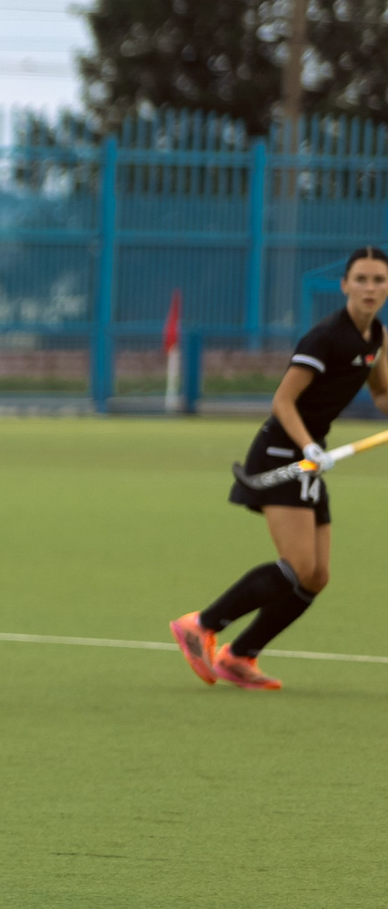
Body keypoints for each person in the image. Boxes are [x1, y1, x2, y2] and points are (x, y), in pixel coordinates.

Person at [171, 246, 388, 690]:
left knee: (316, 576)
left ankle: (239, 657)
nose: (370, 288)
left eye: (379, 280)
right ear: (344, 284)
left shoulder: (376, 338)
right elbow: (282, 401)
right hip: (282, 453)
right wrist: (308, 443)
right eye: (361, 279)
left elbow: (381, 394)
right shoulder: (325, 337)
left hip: (312, 457)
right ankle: (202, 623)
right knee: (297, 563)